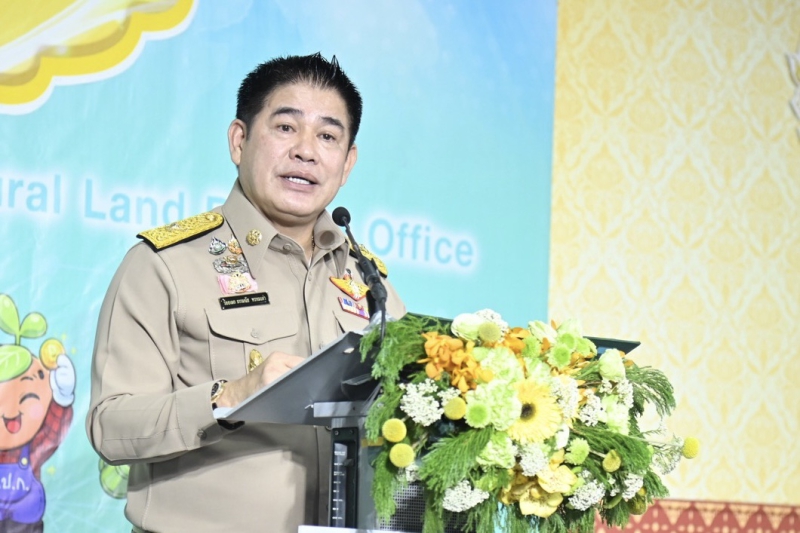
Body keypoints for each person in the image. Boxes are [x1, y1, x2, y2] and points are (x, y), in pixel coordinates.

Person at [86, 53, 405, 533]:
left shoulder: (369, 280)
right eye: (285, 127)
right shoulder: (166, 264)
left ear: (347, 163)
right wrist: (231, 396)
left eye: (328, 136)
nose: (306, 151)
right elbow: (110, 426)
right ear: (239, 140)